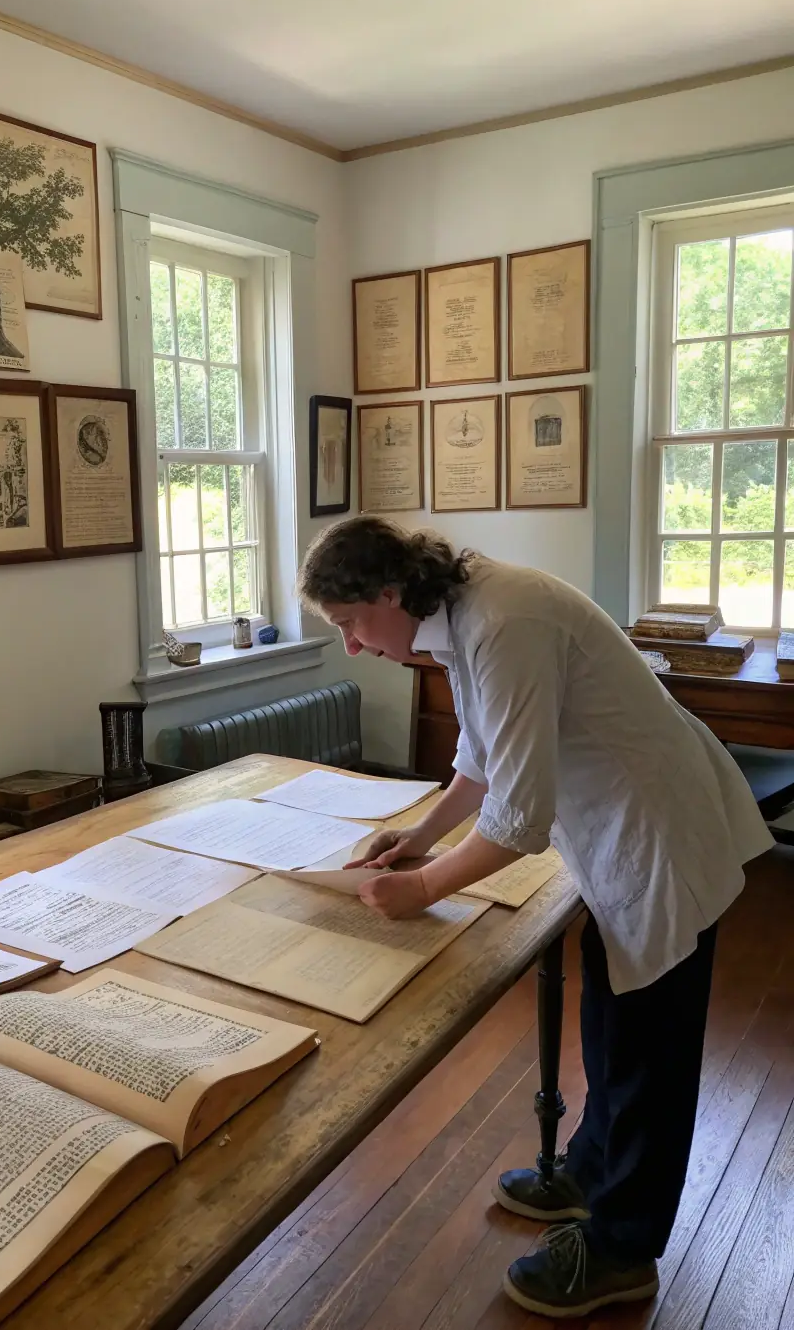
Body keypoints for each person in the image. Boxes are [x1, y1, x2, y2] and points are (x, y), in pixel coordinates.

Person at [296, 515, 771, 1320]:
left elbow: (518, 818)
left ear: (386, 591)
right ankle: (590, 1170)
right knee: (611, 1017)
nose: (351, 645)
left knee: (651, 1049)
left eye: (348, 624)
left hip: (660, 832)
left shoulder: (504, 618)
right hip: (620, 828)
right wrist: (419, 836)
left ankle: (624, 1248)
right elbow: (482, 761)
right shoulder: (458, 613)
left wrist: (423, 886)